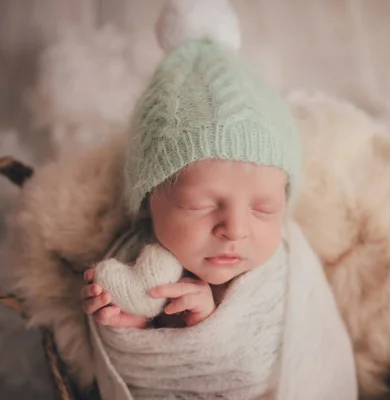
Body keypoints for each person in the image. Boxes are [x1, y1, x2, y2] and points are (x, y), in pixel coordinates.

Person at [77, 0, 357, 399]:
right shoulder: (133, 260)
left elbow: (271, 366)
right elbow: (140, 381)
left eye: (265, 208)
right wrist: (135, 327)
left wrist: (208, 330)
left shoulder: (285, 271)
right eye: (201, 206)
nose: (236, 230)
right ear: (148, 200)